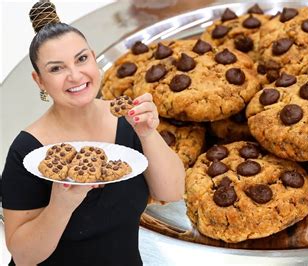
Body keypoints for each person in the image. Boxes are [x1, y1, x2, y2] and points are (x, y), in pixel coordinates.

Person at [1, 1, 185, 265]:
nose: (75, 75)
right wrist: (62, 204)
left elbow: (172, 192)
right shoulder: (29, 150)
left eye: (81, 59)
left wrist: (148, 134)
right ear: (39, 80)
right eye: (56, 68)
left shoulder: (127, 118)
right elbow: (23, 257)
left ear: (93, 56)